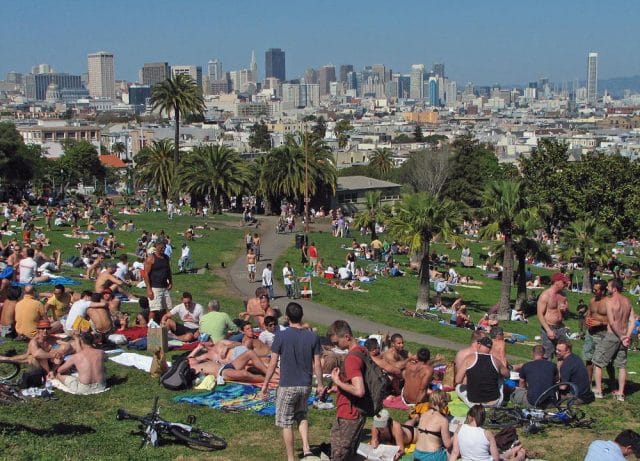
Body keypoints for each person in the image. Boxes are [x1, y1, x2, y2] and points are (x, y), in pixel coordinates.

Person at [261, 303, 323, 461]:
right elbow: (317, 363)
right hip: (305, 384)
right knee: (301, 415)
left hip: (288, 384)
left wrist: (265, 384)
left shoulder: (281, 336)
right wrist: (320, 384)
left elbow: (273, 362)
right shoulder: (312, 336)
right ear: (302, 316)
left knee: (286, 422)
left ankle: (290, 458)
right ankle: (306, 448)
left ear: (287, 317)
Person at [328, 320, 368, 461]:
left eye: (336, 342)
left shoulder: (351, 358)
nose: (335, 346)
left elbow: (359, 390)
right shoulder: (362, 351)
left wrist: (338, 381)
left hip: (350, 414)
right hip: (353, 411)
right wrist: (338, 387)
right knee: (348, 454)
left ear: (347, 337)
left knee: (340, 455)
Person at [592, 278, 635, 401]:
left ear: (614, 289)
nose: (607, 288)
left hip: (613, 336)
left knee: (598, 362)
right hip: (623, 335)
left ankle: (599, 391)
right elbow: (632, 320)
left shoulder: (610, 302)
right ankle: (620, 393)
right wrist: (627, 335)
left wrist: (621, 336)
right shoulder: (628, 301)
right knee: (621, 366)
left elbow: (612, 322)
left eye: (609, 287)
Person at [450, 405, 525, 461]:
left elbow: (455, 452)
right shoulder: (487, 433)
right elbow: (496, 458)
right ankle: (520, 454)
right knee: (518, 457)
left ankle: (511, 452)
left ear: (469, 417)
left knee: (499, 455)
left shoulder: (459, 428)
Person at [455, 336, 509, 407]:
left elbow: (458, 380)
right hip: (494, 402)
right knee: (501, 377)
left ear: (479, 345)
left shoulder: (469, 358)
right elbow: (508, 375)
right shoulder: (496, 361)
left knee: (458, 387)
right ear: (490, 348)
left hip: (474, 403)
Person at [582, 280, 615, 385]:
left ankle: (613, 384)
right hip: (591, 333)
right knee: (588, 359)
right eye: (593, 289)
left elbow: (614, 321)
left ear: (603, 291)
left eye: (596, 290)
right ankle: (588, 383)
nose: (593, 291)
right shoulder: (592, 301)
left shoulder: (609, 302)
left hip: (603, 335)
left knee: (607, 361)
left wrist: (600, 323)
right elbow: (589, 314)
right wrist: (587, 319)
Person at [537, 272, 570, 359]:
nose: (565, 284)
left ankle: (561, 372)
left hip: (561, 328)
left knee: (564, 354)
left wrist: (565, 310)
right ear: (556, 282)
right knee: (548, 354)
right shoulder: (545, 295)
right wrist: (548, 330)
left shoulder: (563, 296)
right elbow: (540, 314)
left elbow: (567, 316)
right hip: (549, 327)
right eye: (563, 282)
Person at [413, 390, 453, 461]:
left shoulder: (423, 415)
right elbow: (448, 444)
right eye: (446, 402)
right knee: (454, 451)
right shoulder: (443, 420)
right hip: (432, 457)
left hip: (417, 454)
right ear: (442, 402)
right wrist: (455, 434)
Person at [555, 340, 594, 404]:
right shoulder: (575, 357)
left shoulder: (566, 365)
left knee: (551, 395)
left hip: (578, 397)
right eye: (556, 349)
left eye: (559, 350)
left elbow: (563, 387)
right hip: (586, 394)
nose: (556, 352)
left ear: (567, 350)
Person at [143, 240, 173, 322]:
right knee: (154, 310)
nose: (163, 249)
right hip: (155, 287)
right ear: (156, 247)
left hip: (164, 287)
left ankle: (164, 327)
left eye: (164, 248)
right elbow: (145, 274)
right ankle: (150, 327)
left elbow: (168, 270)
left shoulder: (166, 257)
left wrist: (170, 281)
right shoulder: (151, 258)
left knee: (165, 309)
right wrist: (148, 289)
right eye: (161, 248)